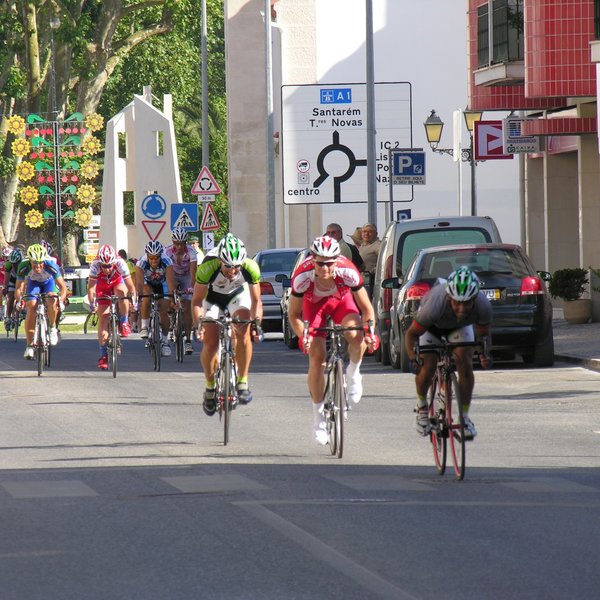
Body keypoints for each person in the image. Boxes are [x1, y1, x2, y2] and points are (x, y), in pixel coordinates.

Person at [287, 236, 379, 446]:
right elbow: (293, 315)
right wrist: (305, 336)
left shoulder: (349, 272)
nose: (325, 268)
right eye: (320, 263)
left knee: (357, 335)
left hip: (341, 303)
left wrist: (370, 333)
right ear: (313, 260)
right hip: (314, 306)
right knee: (317, 358)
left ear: (337, 261)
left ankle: (353, 372)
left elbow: (366, 309)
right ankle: (318, 419)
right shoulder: (302, 276)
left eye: (330, 263)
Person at [404, 266, 493, 439]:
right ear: (448, 297)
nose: (461, 308)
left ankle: (465, 418)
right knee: (428, 367)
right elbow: (411, 334)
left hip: (459, 328)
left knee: (465, 364)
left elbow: (483, 336)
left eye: (467, 303)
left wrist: (484, 354)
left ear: (475, 299)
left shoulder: (483, 307)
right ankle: (422, 407)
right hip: (432, 328)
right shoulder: (435, 305)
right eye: (456, 302)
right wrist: (413, 358)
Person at [191, 233, 263, 415]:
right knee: (211, 343)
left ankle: (242, 381)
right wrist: (198, 325)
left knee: (244, 331)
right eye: (228, 267)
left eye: (236, 268)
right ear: (220, 261)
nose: (232, 271)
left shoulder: (251, 267)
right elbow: (197, 301)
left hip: (237, 296)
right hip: (212, 298)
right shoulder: (207, 267)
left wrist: (257, 325)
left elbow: (256, 301)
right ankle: (210, 387)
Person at [87, 244, 137, 370]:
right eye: (104, 266)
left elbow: (131, 287)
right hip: (102, 286)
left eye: (109, 266)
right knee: (103, 318)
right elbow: (91, 289)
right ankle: (103, 356)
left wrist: (134, 303)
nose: (107, 269)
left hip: (117, 283)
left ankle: (124, 321)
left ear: (114, 262)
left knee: (122, 292)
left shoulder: (120, 263)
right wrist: (93, 304)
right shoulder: (95, 265)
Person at [14, 244, 68, 359]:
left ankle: (53, 327)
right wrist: (19, 300)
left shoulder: (51, 265)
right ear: (30, 261)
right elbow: (19, 288)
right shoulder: (23, 266)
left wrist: (61, 302)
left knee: (52, 299)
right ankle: (29, 346)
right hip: (33, 284)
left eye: (40, 263)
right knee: (31, 306)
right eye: (34, 263)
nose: (38, 266)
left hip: (49, 283)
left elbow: (63, 287)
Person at [135, 240, 177, 357]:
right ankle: (144, 326)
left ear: (160, 256)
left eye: (156, 258)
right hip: (148, 284)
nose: (154, 261)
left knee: (163, 311)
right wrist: (137, 298)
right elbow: (139, 284)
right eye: (151, 258)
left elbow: (170, 281)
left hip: (162, 284)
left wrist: (172, 298)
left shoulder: (167, 261)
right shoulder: (141, 262)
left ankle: (165, 341)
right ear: (147, 256)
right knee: (146, 295)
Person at [164, 227, 202, 355]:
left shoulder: (191, 251)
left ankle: (188, 340)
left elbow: (193, 273)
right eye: (176, 243)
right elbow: (168, 274)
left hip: (186, 276)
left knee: (186, 306)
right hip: (173, 275)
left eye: (182, 243)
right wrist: (171, 292)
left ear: (186, 242)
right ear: (173, 242)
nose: (179, 246)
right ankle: (170, 313)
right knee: (171, 295)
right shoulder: (168, 252)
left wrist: (191, 287)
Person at [3, 248, 24, 332]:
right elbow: (7, 277)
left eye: (16, 263)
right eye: (13, 264)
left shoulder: (24, 263)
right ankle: (8, 317)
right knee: (11, 297)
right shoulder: (8, 264)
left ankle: (22, 311)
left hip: (22, 279)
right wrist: (6, 287)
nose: (14, 265)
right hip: (12, 280)